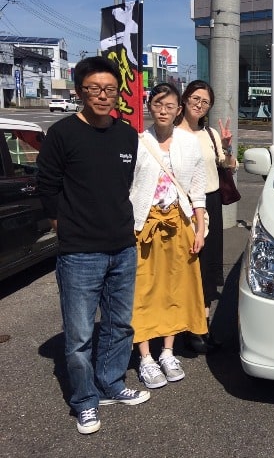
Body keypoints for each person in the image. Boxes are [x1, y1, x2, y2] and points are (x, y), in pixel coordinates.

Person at [36, 56, 150, 435]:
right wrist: (66, 228)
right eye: (94, 89)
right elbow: (47, 189)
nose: (103, 96)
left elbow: (124, 186)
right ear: (80, 92)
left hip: (122, 246)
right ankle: (85, 400)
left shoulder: (126, 135)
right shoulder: (62, 134)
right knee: (80, 334)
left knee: (119, 324)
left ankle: (111, 385)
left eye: (110, 89)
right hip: (79, 252)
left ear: (120, 93)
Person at [129, 83, 208, 388]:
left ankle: (168, 351)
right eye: (158, 105)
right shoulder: (137, 142)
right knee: (144, 290)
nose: (163, 110)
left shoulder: (189, 144)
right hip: (144, 226)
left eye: (170, 106)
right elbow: (128, 190)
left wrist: (200, 229)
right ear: (150, 106)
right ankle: (145, 357)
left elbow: (197, 192)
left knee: (176, 288)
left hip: (179, 223)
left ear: (179, 110)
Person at [175, 80, 238, 353]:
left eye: (205, 102)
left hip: (210, 203)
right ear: (185, 99)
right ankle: (183, 328)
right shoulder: (172, 134)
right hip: (182, 206)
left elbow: (228, 166)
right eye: (195, 99)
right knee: (186, 266)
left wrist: (226, 147)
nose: (199, 105)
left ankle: (202, 325)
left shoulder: (210, 134)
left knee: (208, 267)